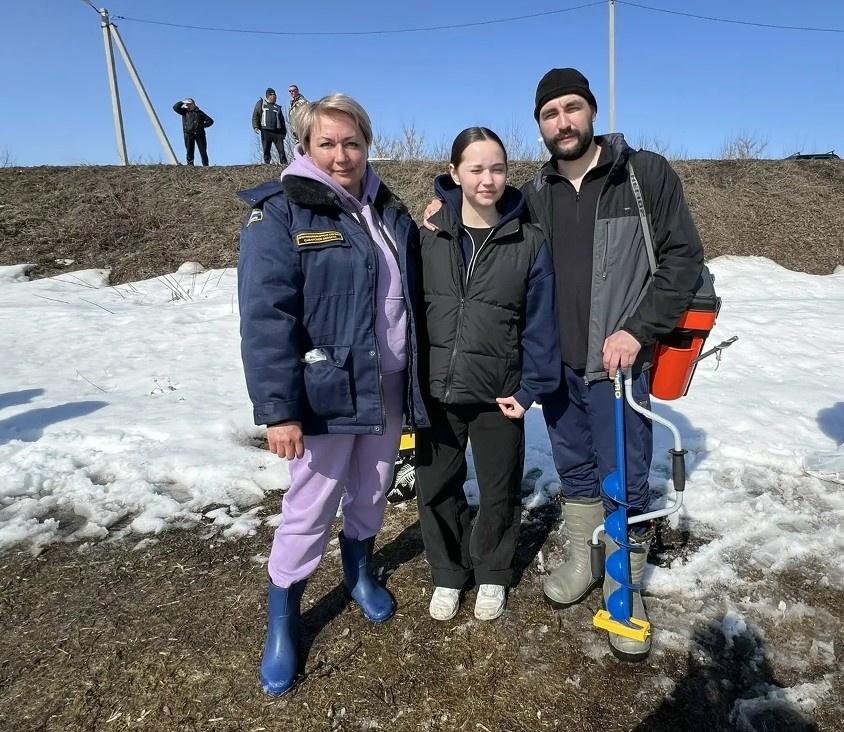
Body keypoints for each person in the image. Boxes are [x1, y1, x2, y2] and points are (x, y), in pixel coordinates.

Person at [423, 68, 704, 661]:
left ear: (592, 111)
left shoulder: (642, 174)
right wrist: (443, 203)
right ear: (540, 125)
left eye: (572, 108)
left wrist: (638, 330)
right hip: (557, 366)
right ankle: (584, 557)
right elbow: (484, 211)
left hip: (619, 362)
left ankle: (624, 585)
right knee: (574, 466)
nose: (563, 122)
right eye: (550, 114)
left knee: (624, 471)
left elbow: (682, 259)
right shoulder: (536, 192)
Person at [237, 93, 430, 697]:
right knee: (311, 504)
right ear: (305, 147)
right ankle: (283, 617)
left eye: (352, 142)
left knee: (373, 486)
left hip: (388, 384)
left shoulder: (388, 207)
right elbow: (266, 318)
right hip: (326, 390)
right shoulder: (281, 212)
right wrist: (279, 411)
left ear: (367, 144)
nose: (341, 155)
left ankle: (359, 573)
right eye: (327, 143)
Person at [415, 127, 560, 623]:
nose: (487, 179)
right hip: (438, 387)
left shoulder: (528, 241)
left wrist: (530, 388)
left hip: (500, 391)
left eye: (497, 168)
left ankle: (493, 571)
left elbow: (541, 323)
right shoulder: (428, 235)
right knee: (436, 486)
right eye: (475, 168)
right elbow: (407, 312)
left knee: (500, 488)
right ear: (454, 173)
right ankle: (448, 572)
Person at [172, 98, 213, 166]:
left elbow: (210, 121)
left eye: (190, 104)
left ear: (194, 104)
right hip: (188, 133)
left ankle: (205, 165)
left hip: (200, 134)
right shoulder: (184, 112)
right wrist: (183, 102)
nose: (189, 105)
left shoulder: (200, 112)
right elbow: (175, 107)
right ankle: (190, 165)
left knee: (203, 150)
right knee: (189, 151)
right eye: (187, 104)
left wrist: (202, 126)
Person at [252, 88, 288, 164]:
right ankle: (267, 164)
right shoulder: (261, 104)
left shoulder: (277, 107)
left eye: (275, 96)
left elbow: (282, 121)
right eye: (273, 95)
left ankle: (284, 164)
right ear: (269, 96)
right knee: (266, 149)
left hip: (277, 132)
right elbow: (255, 115)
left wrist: (284, 133)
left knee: (281, 150)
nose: (275, 97)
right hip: (265, 130)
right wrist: (255, 126)